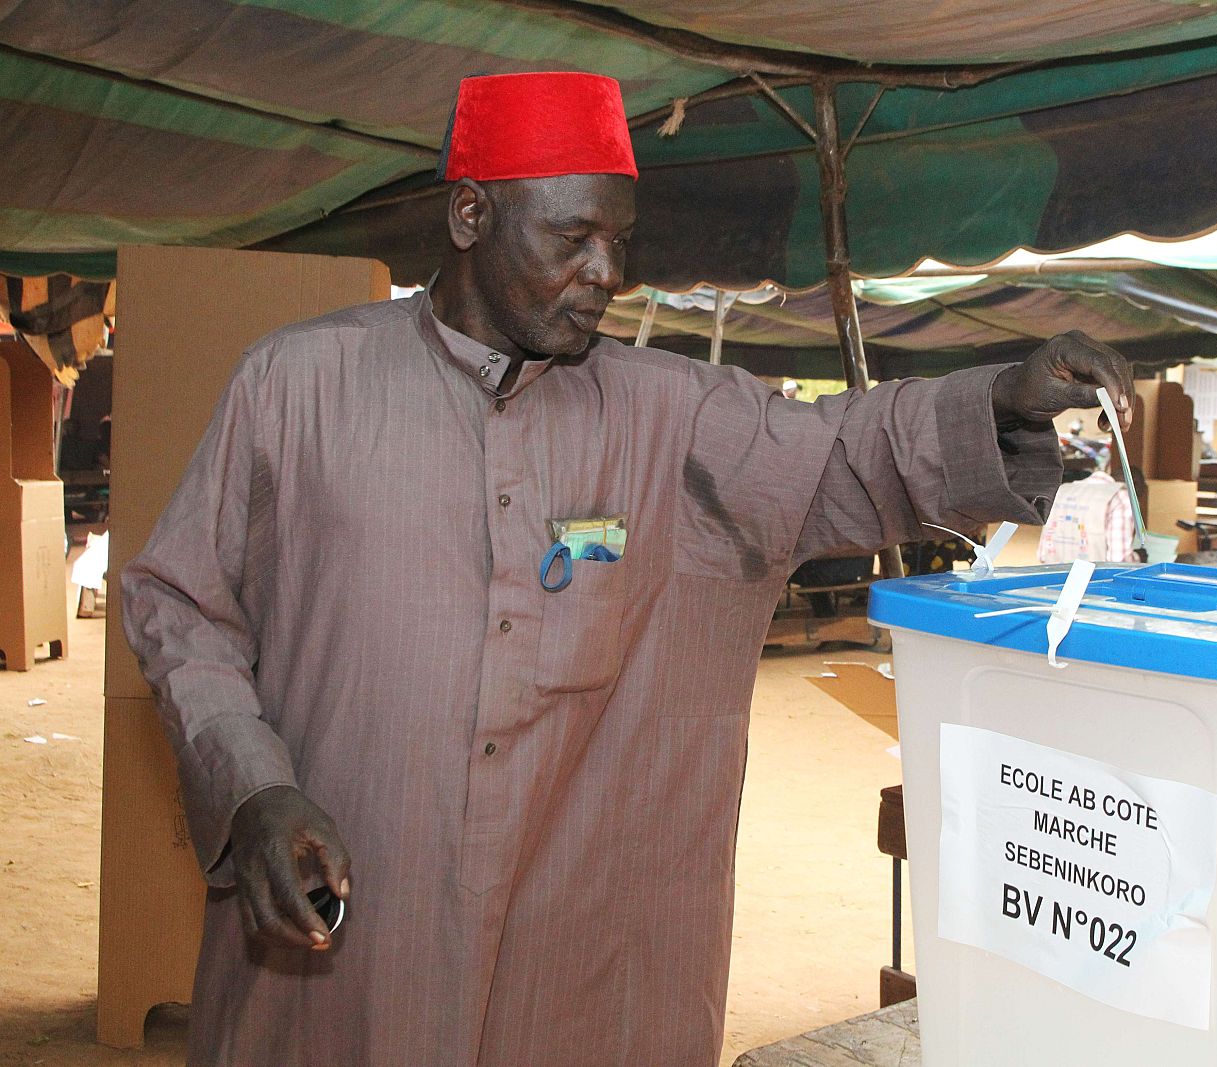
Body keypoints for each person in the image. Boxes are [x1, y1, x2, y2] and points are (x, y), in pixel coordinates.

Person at [119, 72, 1136, 1067]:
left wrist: (999, 397)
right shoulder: (298, 385)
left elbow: (836, 450)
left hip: (571, 942)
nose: (607, 272)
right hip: (350, 919)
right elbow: (179, 599)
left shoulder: (674, 413)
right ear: (471, 214)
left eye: (619, 240)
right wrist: (252, 787)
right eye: (573, 239)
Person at [1039, 461, 1136, 563]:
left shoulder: (1061, 491)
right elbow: (1119, 560)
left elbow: (1042, 555)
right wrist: (1139, 558)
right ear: (1135, 487)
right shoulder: (1120, 497)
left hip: (1053, 576)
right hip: (1096, 577)